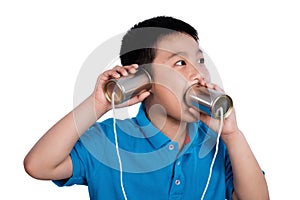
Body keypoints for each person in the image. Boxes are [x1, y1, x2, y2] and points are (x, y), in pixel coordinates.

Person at [24, 16, 269, 200]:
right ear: (143, 79)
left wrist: (232, 135)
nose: (198, 74)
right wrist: (97, 104)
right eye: (181, 62)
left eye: (200, 61)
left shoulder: (217, 146)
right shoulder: (108, 140)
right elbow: (39, 166)